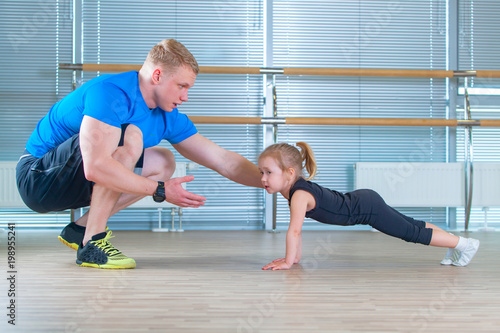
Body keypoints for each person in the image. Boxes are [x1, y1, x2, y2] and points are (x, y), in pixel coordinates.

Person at [16, 39, 262, 269]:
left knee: (164, 160)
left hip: (74, 181)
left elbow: (224, 161)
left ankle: (80, 230)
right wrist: (161, 190)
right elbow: (96, 167)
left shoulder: (167, 116)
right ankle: (92, 243)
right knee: (131, 135)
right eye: (181, 86)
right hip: (37, 178)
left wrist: (280, 182)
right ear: (157, 75)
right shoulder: (112, 93)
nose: (185, 97)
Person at [258, 142, 480, 271]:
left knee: (412, 232)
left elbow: (294, 231)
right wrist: (294, 258)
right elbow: (298, 231)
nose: (263, 178)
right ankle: (454, 244)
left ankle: (465, 244)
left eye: (269, 172)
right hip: (365, 201)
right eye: (262, 172)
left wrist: (288, 262)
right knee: (414, 224)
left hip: (366, 208)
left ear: (289, 173)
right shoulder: (296, 190)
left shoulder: (298, 194)